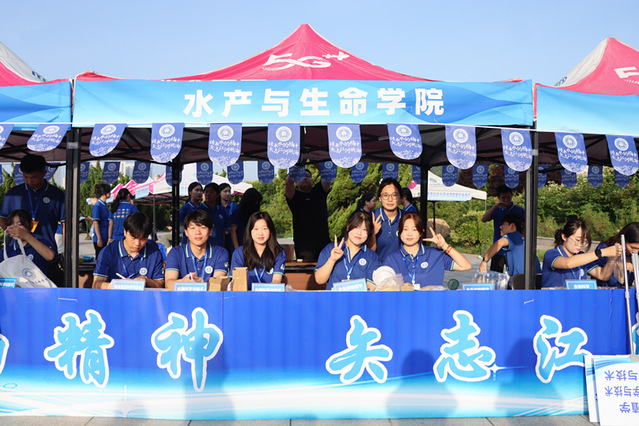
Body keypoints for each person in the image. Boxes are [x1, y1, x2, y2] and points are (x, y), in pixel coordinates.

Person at [0, 154, 65, 256]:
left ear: (44, 173)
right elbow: (2, 219)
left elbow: (65, 225)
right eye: (25, 177)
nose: (29, 181)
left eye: (34, 177)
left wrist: (66, 250)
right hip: (18, 252)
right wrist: (14, 233)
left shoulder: (57, 195)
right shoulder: (14, 194)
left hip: (46, 252)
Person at [385, 212, 471, 289]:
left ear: (421, 232)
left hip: (432, 301)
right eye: (405, 229)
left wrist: (444, 246)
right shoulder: (391, 259)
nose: (409, 234)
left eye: (414, 229)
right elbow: (384, 287)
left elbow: (465, 266)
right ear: (399, 231)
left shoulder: (436, 255)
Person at [541, 218, 622, 288]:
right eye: (578, 240)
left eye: (584, 241)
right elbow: (568, 263)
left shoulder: (581, 256)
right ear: (564, 236)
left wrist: (611, 259)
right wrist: (602, 252)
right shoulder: (551, 254)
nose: (581, 245)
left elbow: (603, 275)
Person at [93, 212, 165, 289]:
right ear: (125, 232)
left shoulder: (154, 253)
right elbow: (96, 285)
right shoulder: (108, 252)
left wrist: (146, 280)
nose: (137, 243)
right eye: (133, 238)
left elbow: (160, 284)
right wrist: (116, 285)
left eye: (143, 238)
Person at [315, 211, 380, 290]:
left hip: (358, 298)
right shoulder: (331, 248)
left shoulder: (372, 256)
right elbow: (319, 280)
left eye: (364, 229)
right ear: (348, 226)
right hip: (334, 297)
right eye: (356, 227)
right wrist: (332, 260)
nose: (359, 233)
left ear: (369, 232)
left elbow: (371, 287)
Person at [165, 210, 229, 290]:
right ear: (186, 232)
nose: (197, 232)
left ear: (210, 231)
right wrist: (182, 282)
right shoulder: (175, 253)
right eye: (192, 228)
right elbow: (168, 283)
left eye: (202, 228)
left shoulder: (220, 253)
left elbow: (219, 284)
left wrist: (203, 285)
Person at [230, 211, 285, 290]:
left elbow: (276, 281)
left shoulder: (278, 253)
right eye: (256, 229)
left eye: (264, 228)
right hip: (246, 295)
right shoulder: (239, 253)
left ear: (270, 231)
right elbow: (237, 283)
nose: (260, 233)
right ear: (250, 231)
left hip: (269, 295)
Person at [285, 167, 331, 260]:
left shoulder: (319, 191)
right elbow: (288, 183)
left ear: (312, 180)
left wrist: (316, 162)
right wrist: (297, 167)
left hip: (323, 243)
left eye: (307, 176)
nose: (305, 178)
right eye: (301, 176)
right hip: (303, 246)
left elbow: (327, 176)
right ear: (296, 182)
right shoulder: (294, 196)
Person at [479, 213, 541, 278]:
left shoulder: (511, 236)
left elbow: (499, 243)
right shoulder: (523, 239)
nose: (500, 227)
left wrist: (484, 261)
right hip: (536, 278)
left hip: (520, 279)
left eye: (503, 224)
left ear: (512, 226)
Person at [481, 184, 525, 273]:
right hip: (498, 249)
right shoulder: (497, 210)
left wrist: (522, 238)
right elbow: (484, 219)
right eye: (503, 198)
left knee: (514, 272)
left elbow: (525, 226)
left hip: (514, 247)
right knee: (495, 273)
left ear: (512, 195)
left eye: (508, 197)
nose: (506, 200)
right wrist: (495, 206)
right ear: (499, 198)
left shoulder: (519, 210)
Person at [0, 209, 56, 273]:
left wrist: (26, 236)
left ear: (31, 225)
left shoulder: (41, 244)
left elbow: (50, 256)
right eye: (11, 224)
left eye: (20, 224)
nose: (16, 228)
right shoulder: (6, 251)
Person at [590, 222, 639, 287]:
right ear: (623, 240)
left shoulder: (636, 254)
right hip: (606, 290)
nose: (635, 251)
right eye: (632, 247)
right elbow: (594, 278)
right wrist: (615, 265)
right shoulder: (606, 249)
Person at [372, 178, 403, 262]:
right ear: (380, 197)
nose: (390, 199)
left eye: (394, 195)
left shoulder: (407, 218)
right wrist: (372, 234)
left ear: (400, 197)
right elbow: (365, 251)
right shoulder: (371, 217)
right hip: (377, 267)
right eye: (385, 195)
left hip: (401, 267)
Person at [195, 183, 226, 248]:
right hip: (203, 246)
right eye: (206, 192)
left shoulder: (222, 210)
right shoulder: (199, 210)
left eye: (211, 192)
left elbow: (223, 229)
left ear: (217, 195)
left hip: (218, 246)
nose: (208, 194)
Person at [91, 183, 111, 258]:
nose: (110, 193)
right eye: (109, 192)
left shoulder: (105, 205)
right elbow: (95, 222)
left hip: (105, 237)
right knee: (100, 260)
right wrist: (99, 238)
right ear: (104, 193)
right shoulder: (97, 206)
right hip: (100, 238)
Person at [218, 183, 239, 254]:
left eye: (229, 191)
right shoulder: (216, 207)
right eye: (225, 191)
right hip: (220, 238)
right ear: (219, 193)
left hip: (233, 238)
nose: (227, 194)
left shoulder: (236, 207)